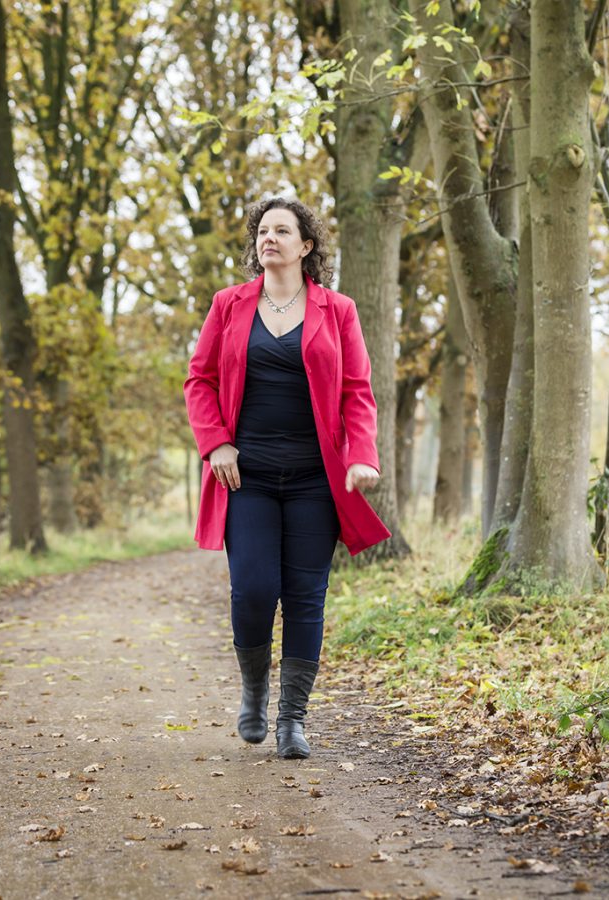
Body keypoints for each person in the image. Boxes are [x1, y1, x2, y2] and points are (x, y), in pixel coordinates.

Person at [184, 197, 390, 760]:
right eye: (262, 231)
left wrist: (361, 455)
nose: (268, 238)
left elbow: (356, 390)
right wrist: (217, 442)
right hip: (244, 476)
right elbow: (199, 380)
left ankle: (292, 719)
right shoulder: (229, 305)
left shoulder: (337, 309)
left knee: (305, 597)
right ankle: (254, 688)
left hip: (314, 480)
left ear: (306, 246)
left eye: (282, 230)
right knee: (253, 590)